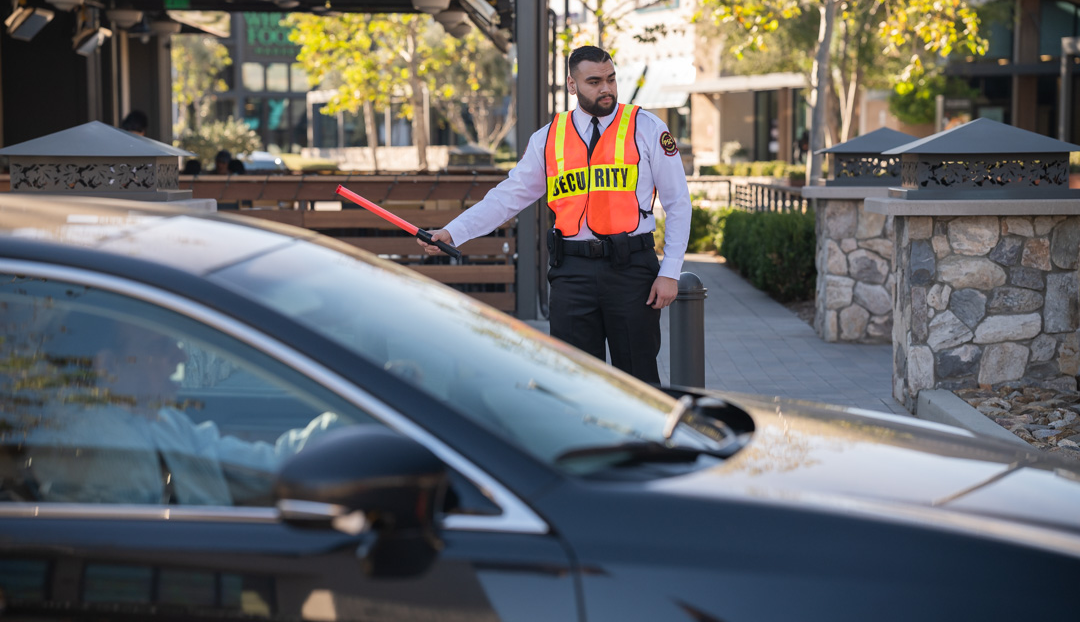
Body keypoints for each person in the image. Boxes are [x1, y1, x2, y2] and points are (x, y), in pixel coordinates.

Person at [418, 45, 691, 385]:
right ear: (572, 85)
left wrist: (671, 271)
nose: (605, 88)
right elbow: (508, 197)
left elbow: (678, 202)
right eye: (594, 81)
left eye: (610, 79)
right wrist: (453, 232)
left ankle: (642, 441)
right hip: (571, 273)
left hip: (632, 270)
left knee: (637, 381)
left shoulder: (647, 128)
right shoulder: (548, 138)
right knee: (572, 381)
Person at [25, 320, 340, 506]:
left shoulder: (158, 421)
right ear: (107, 366)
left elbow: (259, 466)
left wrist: (342, 426)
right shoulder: (103, 447)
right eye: (159, 347)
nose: (180, 356)